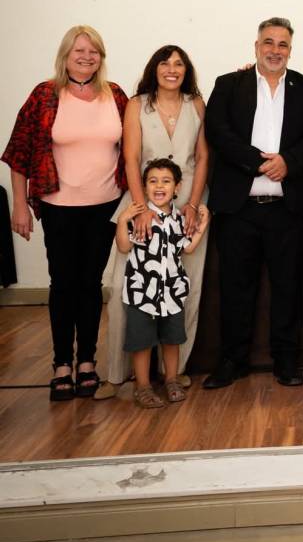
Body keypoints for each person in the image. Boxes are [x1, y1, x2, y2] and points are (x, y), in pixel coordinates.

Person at [2, 25, 128, 400]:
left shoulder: (116, 96)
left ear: (101, 57)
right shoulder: (44, 95)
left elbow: (134, 144)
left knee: (91, 285)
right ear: (65, 55)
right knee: (63, 285)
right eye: (80, 51)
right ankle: (61, 364)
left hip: (105, 206)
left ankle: (87, 362)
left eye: (94, 52)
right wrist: (19, 205)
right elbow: (19, 152)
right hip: (59, 207)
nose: (87, 57)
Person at [203, 17, 303, 389]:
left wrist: (288, 162)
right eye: (269, 43)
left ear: (291, 49)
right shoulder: (229, 85)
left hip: (288, 210)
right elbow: (218, 131)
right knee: (236, 289)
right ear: (256, 46)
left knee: (289, 288)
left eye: (283, 44)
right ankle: (232, 361)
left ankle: (286, 361)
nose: (275, 50)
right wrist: (258, 162)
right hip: (239, 209)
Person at [97, 44, 210, 399]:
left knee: (183, 290)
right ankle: (119, 375)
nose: (172, 70)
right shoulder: (137, 104)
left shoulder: (196, 104)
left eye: (179, 64)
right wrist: (142, 206)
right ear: (154, 69)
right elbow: (131, 159)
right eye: (165, 63)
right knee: (122, 292)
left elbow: (204, 156)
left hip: (188, 202)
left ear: (186, 70)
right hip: (143, 200)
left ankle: (173, 372)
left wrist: (193, 204)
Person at [115, 158, 209, 409]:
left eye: (166, 181)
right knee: (142, 341)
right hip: (141, 292)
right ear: (144, 187)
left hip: (172, 292)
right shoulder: (140, 217)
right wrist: (123, 221)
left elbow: (187, 248)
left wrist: (203, 225)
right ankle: (143, 386)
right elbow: (124, 246)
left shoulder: (178, 218)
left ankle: (171, 379)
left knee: (172, 339)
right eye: (153, 181)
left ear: (177, 187)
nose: (159, 186)